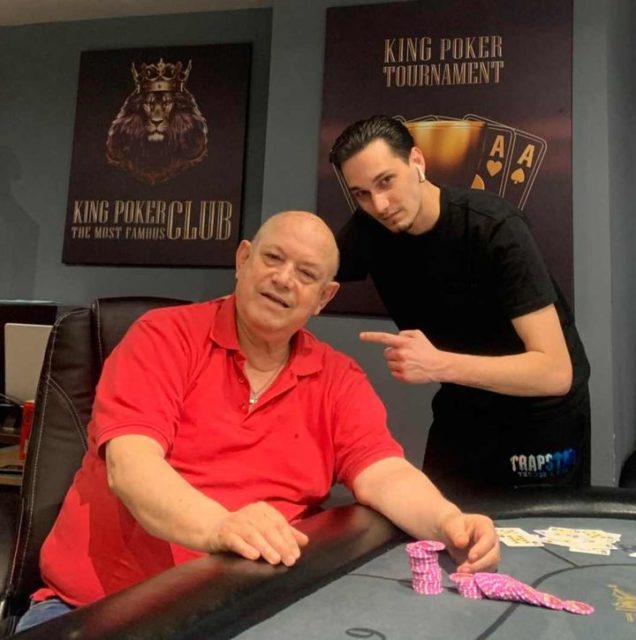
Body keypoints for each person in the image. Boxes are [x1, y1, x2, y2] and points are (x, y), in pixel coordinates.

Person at [16, 211, 499, 632]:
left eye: (306, 274)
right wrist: (221, 527)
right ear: (243, 259)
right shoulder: (162, 337)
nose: (284, 279)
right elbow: (131, 467)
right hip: (99, 612)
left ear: (323, 297)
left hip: (248, 611)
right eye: (273, 258)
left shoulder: (337, 378)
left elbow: (384, 472)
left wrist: (449, 523)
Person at [329, 115, 591, 494]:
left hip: (540, 414)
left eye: (386, 181)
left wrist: (438, 364)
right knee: (436, 519)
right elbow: (305, 268)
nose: (380, 205)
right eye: (361, 194)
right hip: (464, 405)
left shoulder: (493, 227)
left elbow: (554, 372)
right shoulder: (370, 229)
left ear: (417, 162)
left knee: (534, 531)